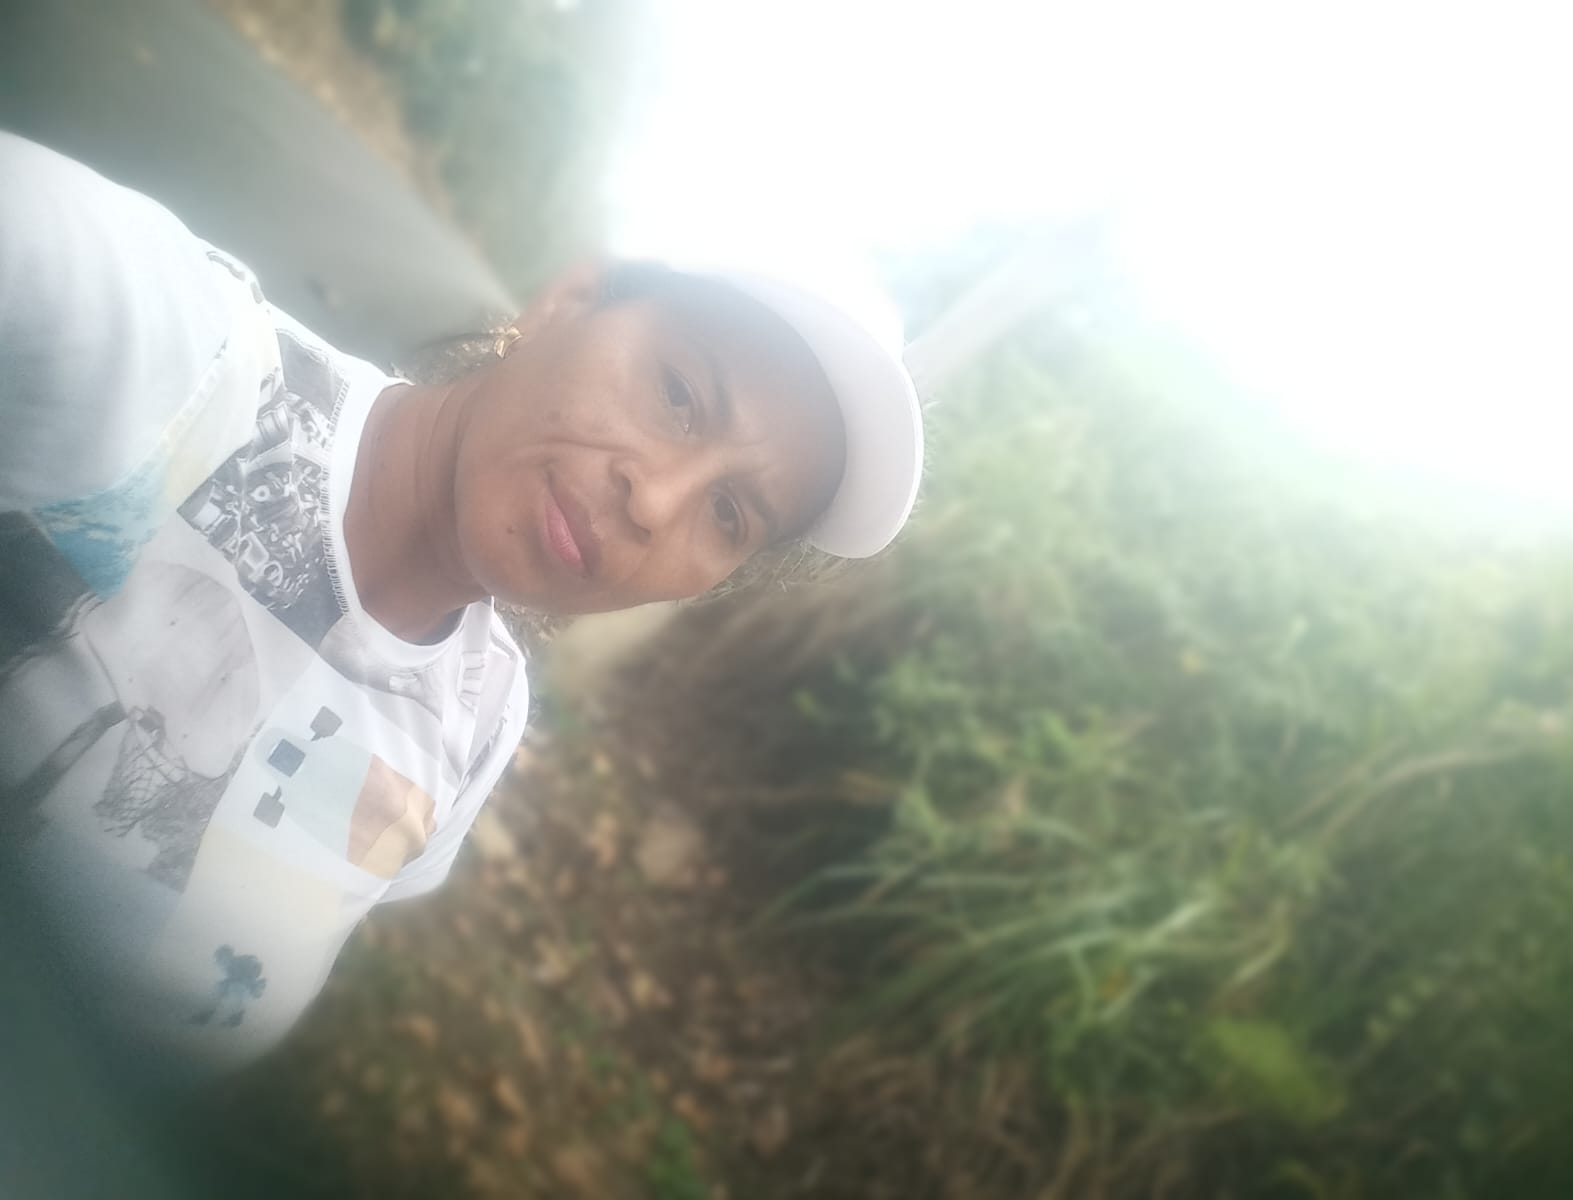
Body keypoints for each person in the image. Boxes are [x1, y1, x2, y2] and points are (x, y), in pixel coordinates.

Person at [0, 132, 924, 1071]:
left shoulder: (480, 715)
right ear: (566, 303)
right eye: (678, 393)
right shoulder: (171, 352)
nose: (656, 503)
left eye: (729, 513)